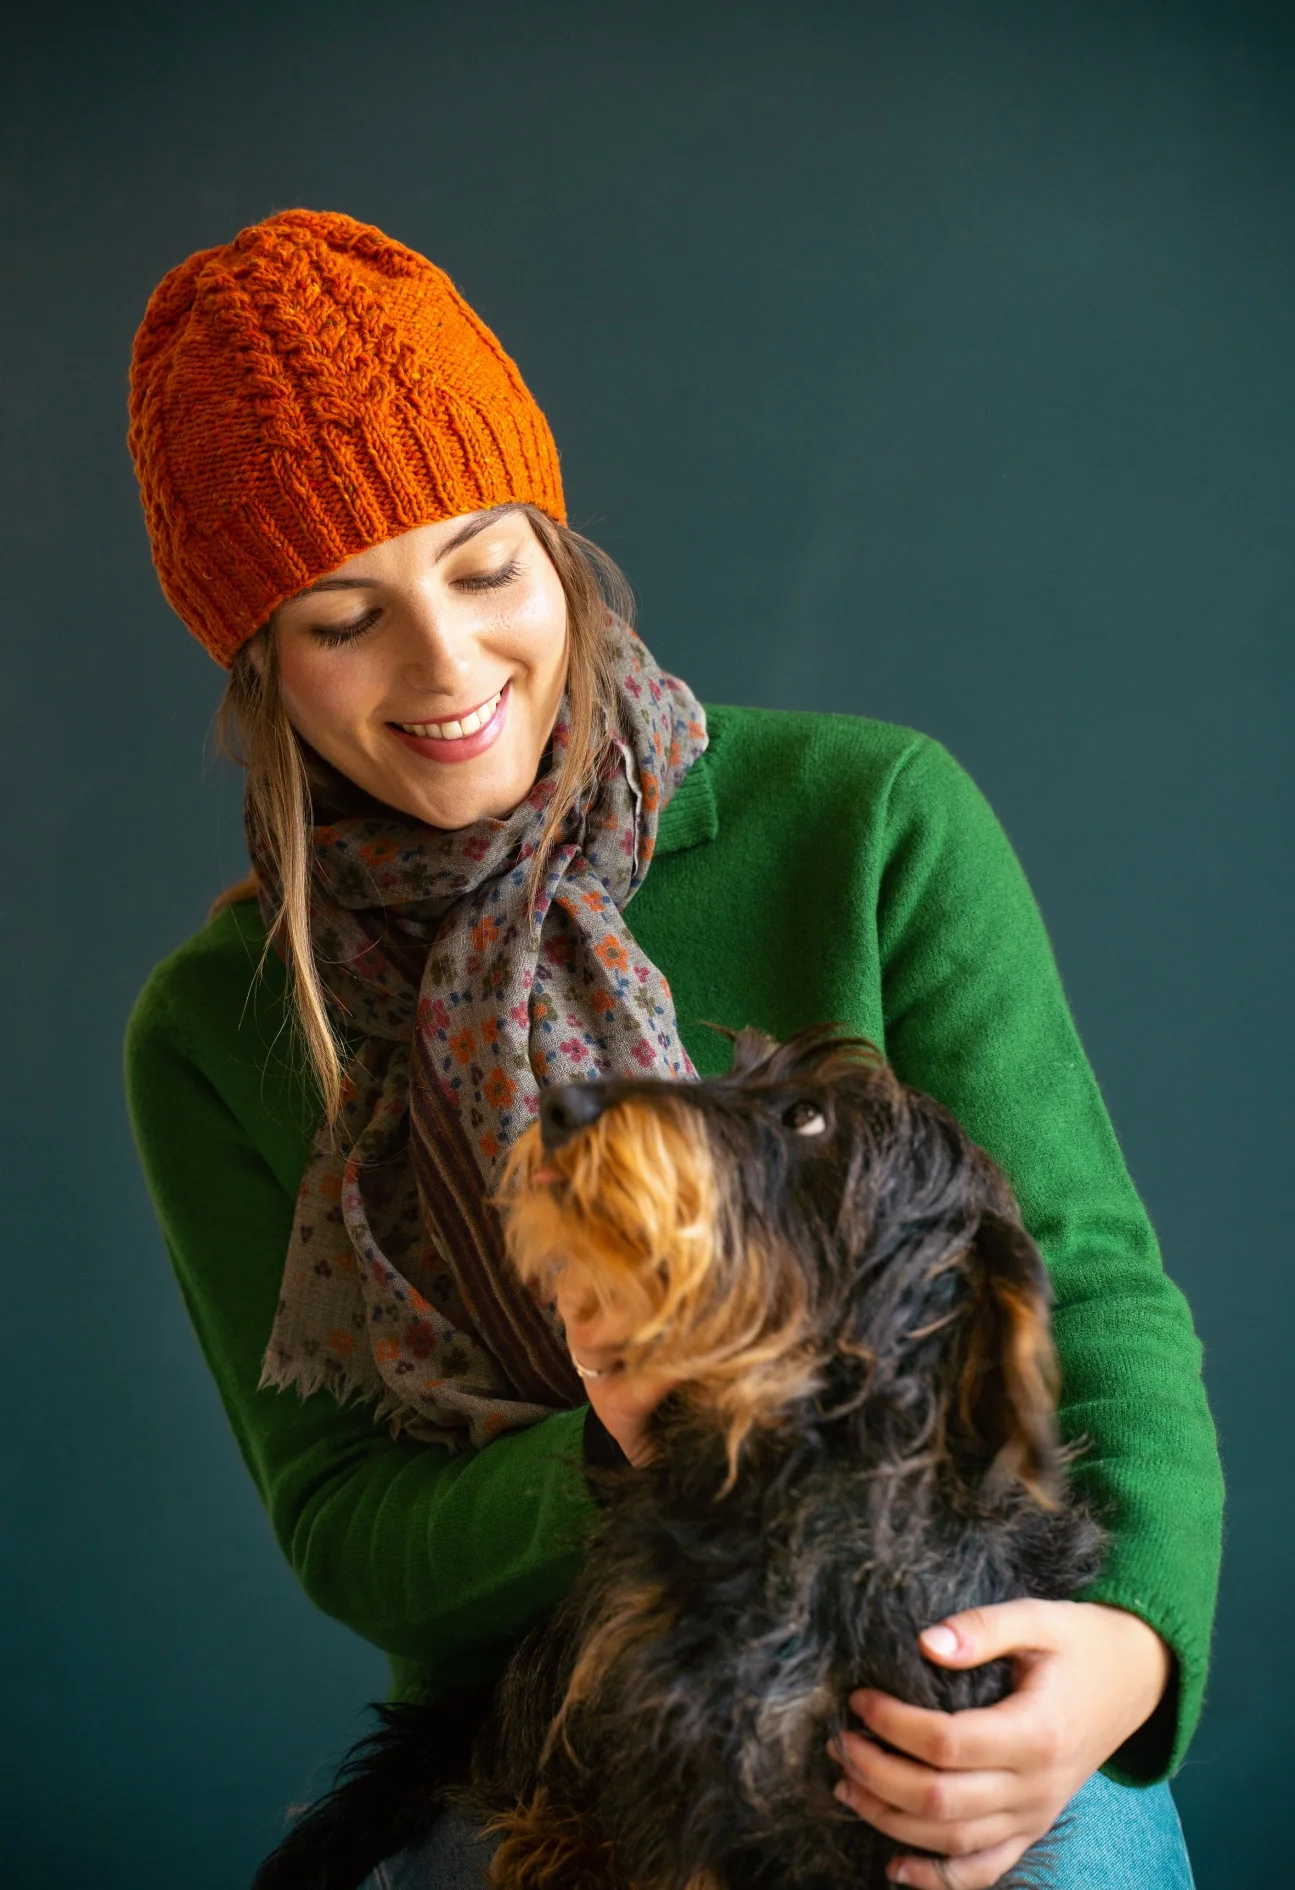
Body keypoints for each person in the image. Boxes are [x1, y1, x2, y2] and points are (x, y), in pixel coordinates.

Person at [123, 209, 1221, 1890]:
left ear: (555, 551)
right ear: (259, 660)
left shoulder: (863, 818)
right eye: (343, 617)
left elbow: (1086, 1286)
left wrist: (1125, 1648)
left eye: (484, 568)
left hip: (940, 1646)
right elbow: (347, 1528)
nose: (447, 666)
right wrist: (619, 1440)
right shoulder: (217, 1031)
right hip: (547, 1731)